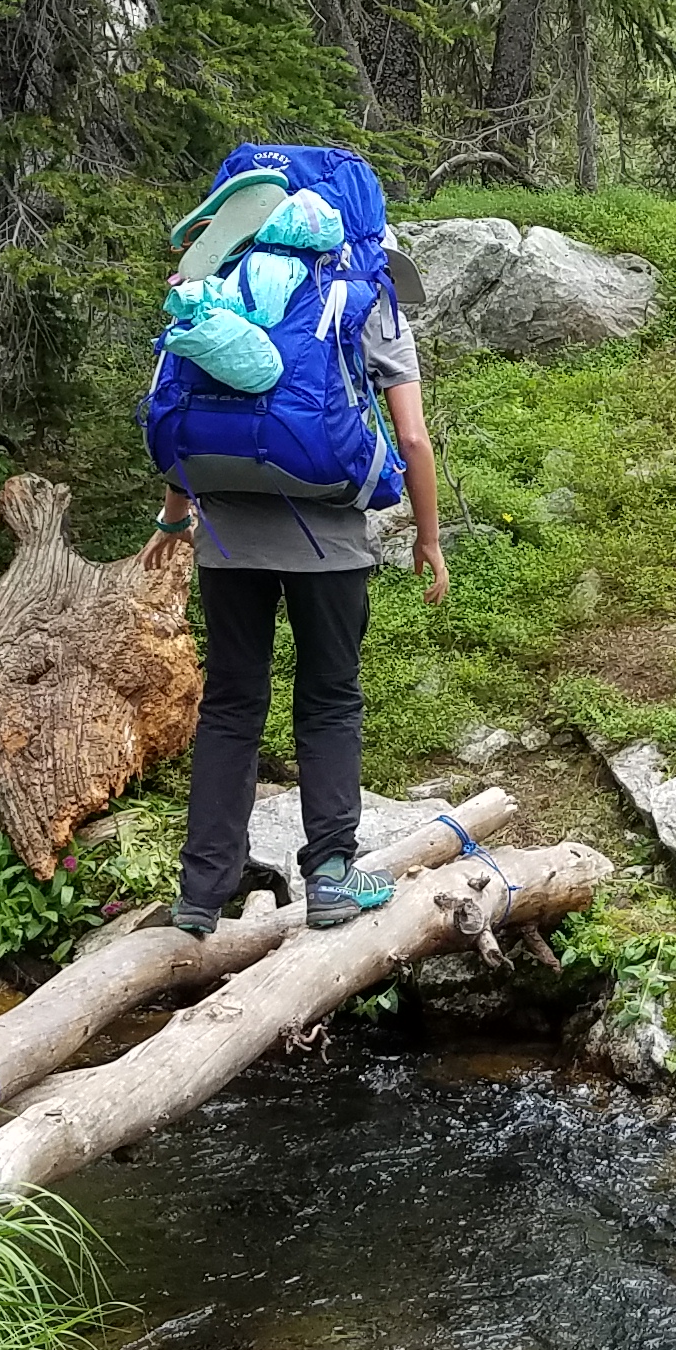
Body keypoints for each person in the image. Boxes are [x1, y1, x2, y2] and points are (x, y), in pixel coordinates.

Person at [156, 260, 448, 937]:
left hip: (227, 539)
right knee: (329, 698)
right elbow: (410, 436)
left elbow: (184, 411)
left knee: (230, 706)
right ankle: (331, 877)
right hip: (330, 544)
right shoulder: (366, 297)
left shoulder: (224, 285)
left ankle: (201, 894)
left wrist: (175, 514)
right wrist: (428, 537)